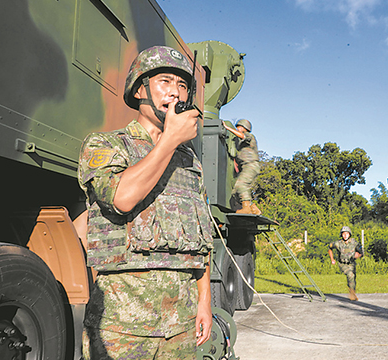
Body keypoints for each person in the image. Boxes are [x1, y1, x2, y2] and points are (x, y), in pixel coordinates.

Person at [78, 46, 214, 359]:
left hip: (181, 321)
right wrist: (169, 139)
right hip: (123, 323)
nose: (176, 93)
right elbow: (122, 199)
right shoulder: (106, 144)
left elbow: (201, 238)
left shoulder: (189, 162)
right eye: (165, 82)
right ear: (140, 89)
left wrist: (204, 301)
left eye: (182, 86)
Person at [223, 119, 261, 215]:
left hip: (251, 165)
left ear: (243, 127)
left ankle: (246, 208)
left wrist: (227, 128)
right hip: (246, 166)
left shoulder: (249, 136)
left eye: (238, 127)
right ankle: (253, 208)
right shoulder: (242, 144)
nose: (237, 129)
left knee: (241, 185)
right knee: (235, 191)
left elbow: (242, 136)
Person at [328, 226, 364, 301]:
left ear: (349, 234)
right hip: (343, 264)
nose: (345, 235)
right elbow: (330, 248)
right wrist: (332, 259)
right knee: (350, 275)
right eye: (343, 234)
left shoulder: (354, 243)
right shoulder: (338, 243)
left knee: (353, 278)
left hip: (352, 263)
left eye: (346, 233)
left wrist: (358, 255)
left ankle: (352, 292)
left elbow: (361, 252)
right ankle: (352, 294)